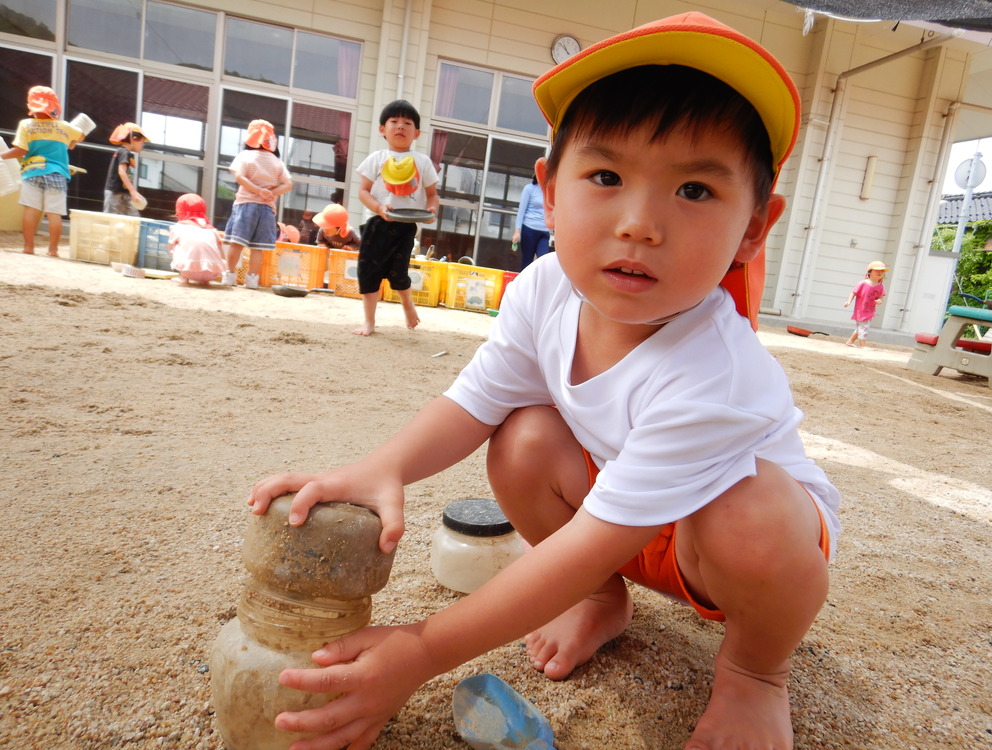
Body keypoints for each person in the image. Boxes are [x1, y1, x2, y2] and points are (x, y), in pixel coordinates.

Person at [247, 12, 840, 750]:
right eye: (606, 176)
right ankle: (600, 601)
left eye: (694, 191)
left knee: (753, 515)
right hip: (629, 516)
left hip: (725, 550)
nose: (640, 223)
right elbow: (475, 401)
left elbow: (597, 535)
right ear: (551, 192)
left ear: (755, 227)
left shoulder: (717, 373)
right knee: (522, 436)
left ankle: (755, 674)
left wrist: (425, 649)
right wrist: (381, 467)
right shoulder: (544, 288)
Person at [353, 99, 439, 335]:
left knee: (398, 272)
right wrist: (379, 208)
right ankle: (369, 321)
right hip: (377, 223)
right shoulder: (377, 158)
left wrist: (431, 212)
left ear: (417, 133)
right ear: (382, 129)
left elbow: (432, 195)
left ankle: (408, 305)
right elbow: (362, 191)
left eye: (407, 123)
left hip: (406, 226)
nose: (400, 126)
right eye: (394, 121)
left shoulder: (422, 162)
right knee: (367, 271)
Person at [1, 86, 84, 256]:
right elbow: (81, 135)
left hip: (32, 173)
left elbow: (21, 150)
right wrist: (73, 141)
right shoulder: (64, 126)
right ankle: (53, 250)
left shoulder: (26, 125)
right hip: (57, 174)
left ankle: (28, 247)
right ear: (54, 107)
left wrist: (2, 155)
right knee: (54, 213)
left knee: (31, 210)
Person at [220, 120, 293, 289]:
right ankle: (252, 280)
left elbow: (239, 177)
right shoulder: (276, 162)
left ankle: (229, 275)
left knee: (236, 243)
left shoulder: (245, 156)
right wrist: (270, 192)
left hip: (245, 205)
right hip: (266, 209)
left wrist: (257, 190)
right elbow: (288, 184)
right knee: (257, 247)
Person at [168, 193, 227, 286]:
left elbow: (170, 247)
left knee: (176, 245)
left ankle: (183, 278)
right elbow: (221, 253)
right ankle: (205, 281)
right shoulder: (212, 229)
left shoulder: (178, 227)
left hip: (188, 272)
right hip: (213, 274)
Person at [104, 122, 149, 216]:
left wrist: (131, 192)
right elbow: (122, 172)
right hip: (114, 191)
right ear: (134, 138)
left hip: (124, 192)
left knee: (134, 217)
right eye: (142, 142)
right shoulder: (124, 152)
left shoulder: (128, 154)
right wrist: (133, 191)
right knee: (109, 218)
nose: (143, 145)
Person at [843, 260, 888, 347]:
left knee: (860, 328)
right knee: (863, 328)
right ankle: (863, 346)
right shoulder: (863, 283)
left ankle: (849, 342)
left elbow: (881, 296)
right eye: (877, 270)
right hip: (861, 310)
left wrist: (879, 300)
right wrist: (849, 301)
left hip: (870, 311)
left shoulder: (880, 286)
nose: (880, 272)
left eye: (882, 271)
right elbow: (853, 292)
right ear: (869, 272)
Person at [512, 174, 550, 270]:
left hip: (544, 231)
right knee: (527, 262)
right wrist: (517, 231)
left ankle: (540, 284)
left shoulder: (550, 191)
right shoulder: (529, 189)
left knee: (543, 261)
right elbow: (521, 211)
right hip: (529, 229)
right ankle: (524, 284)